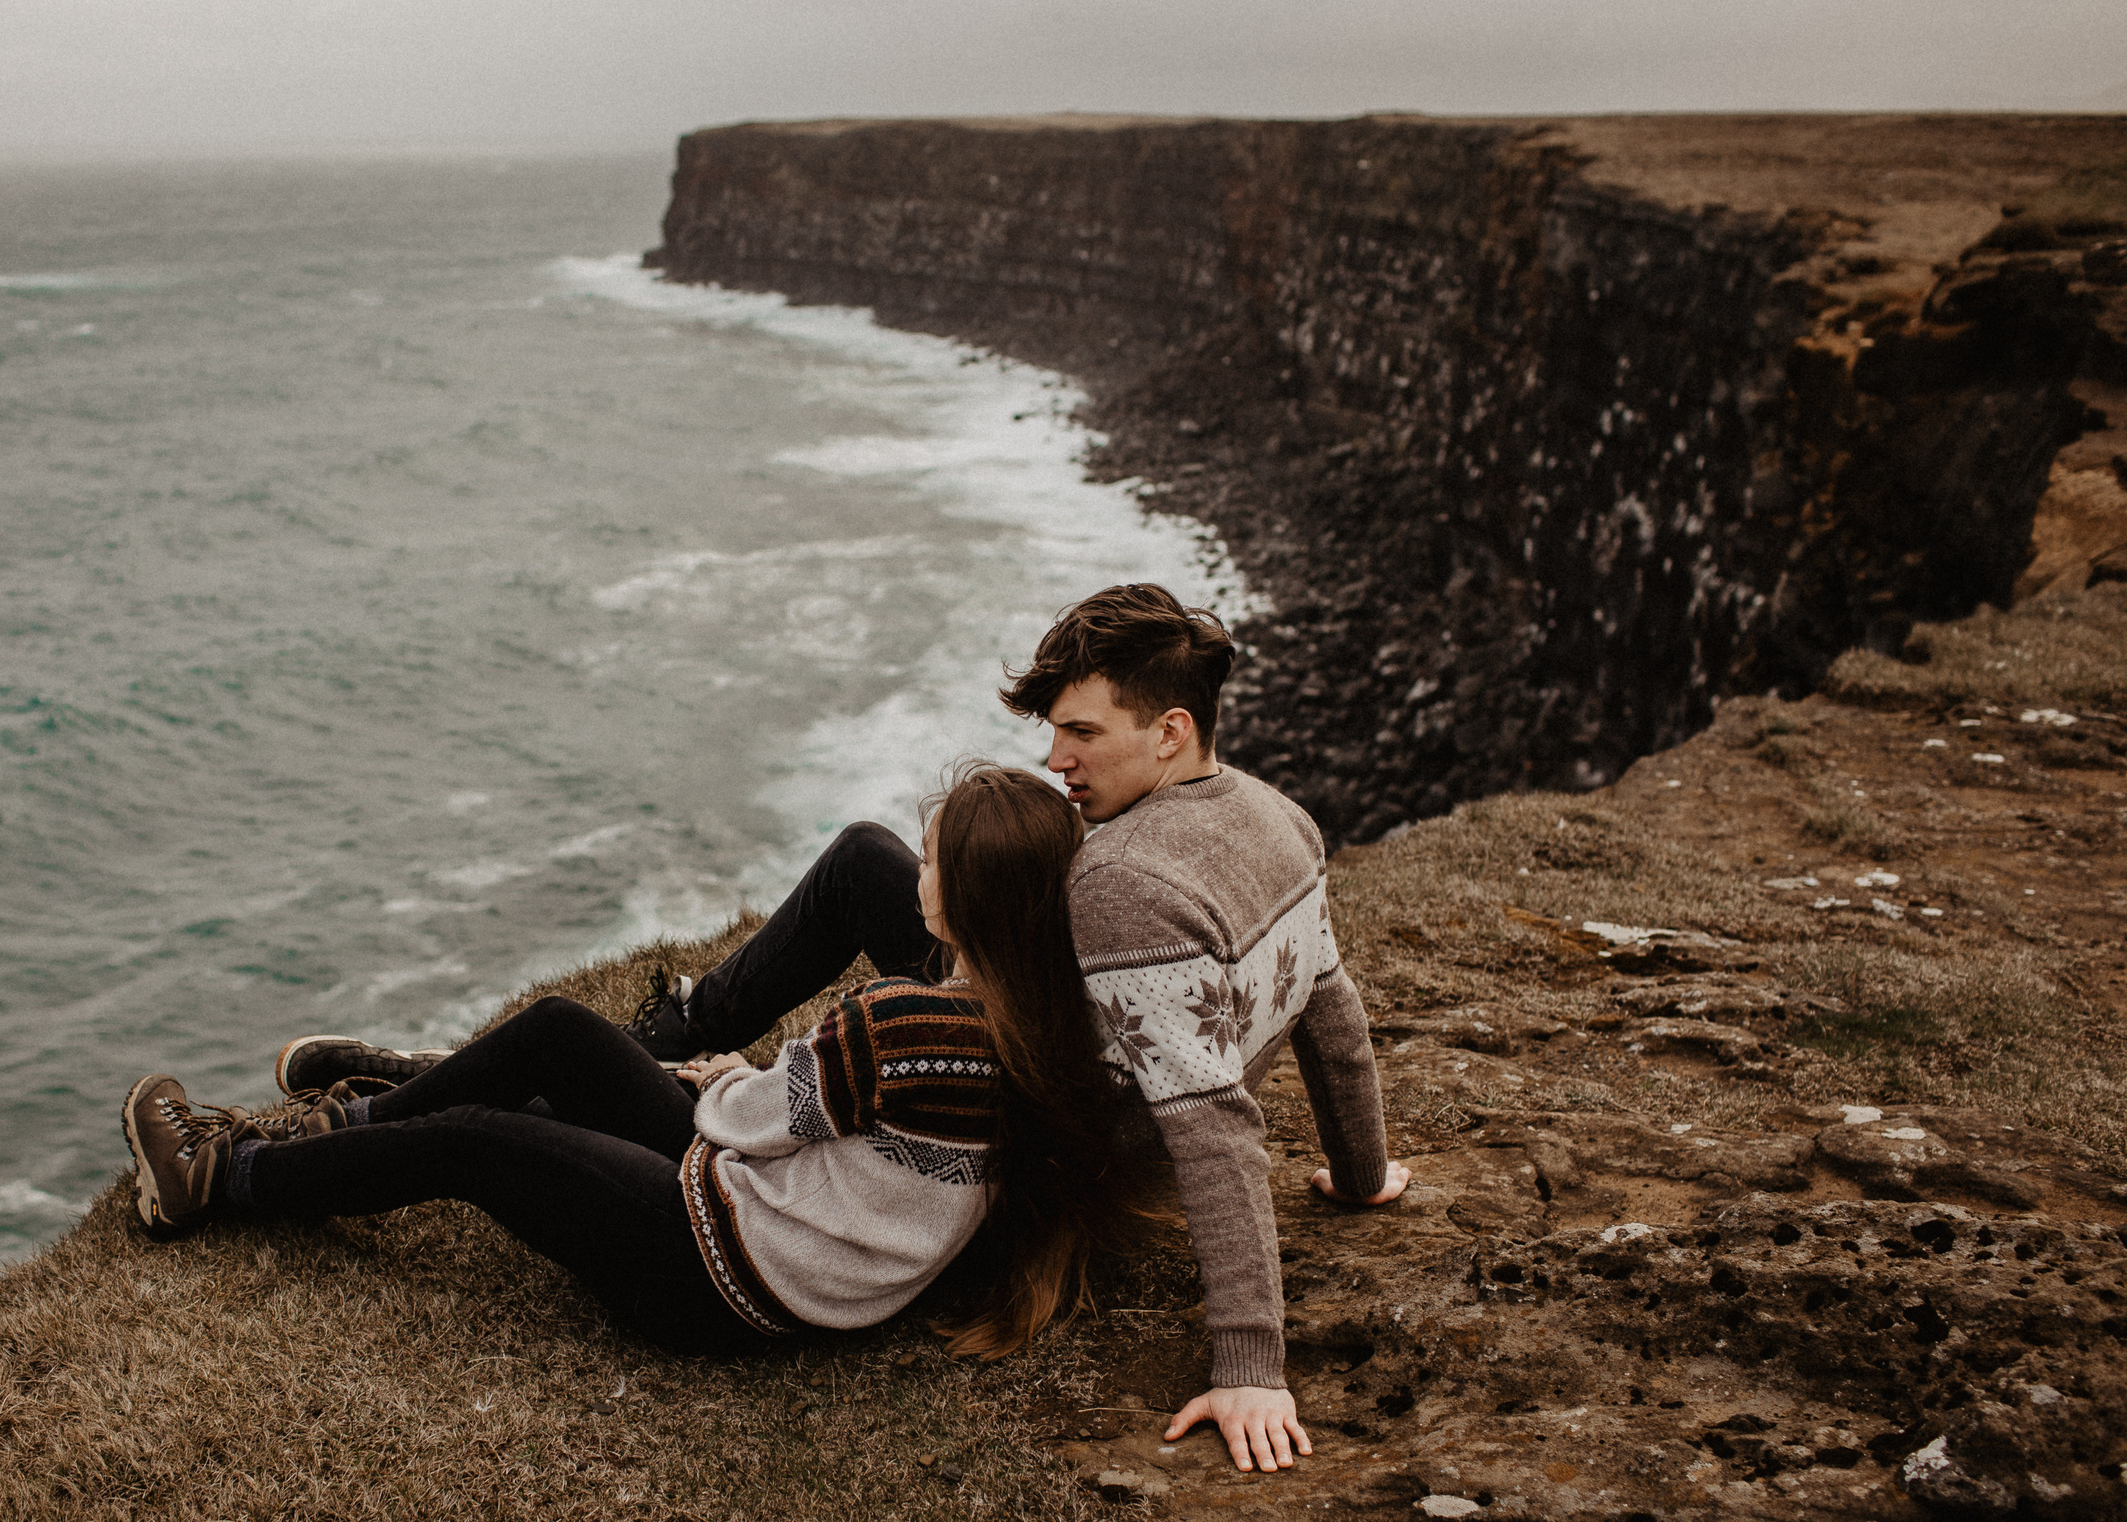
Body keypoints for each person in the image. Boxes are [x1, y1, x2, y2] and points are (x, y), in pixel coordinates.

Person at [592, 583, 1412, 1471]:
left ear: (1171, 730)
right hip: (1057, 1056)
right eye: (1056, 730)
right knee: (869, 860)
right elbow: (1330, 1004)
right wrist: (1361, 1171)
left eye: (1084, 733)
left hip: (1029, 1140)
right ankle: (682, 1029)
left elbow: (1215, 1125)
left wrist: (1251, 1363)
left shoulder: (1124, 888)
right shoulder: (1278, 816)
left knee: (871, 883)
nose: (1057, 760)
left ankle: (660, 1065)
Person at [120, 765, 1168, 1364]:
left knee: (478, 1145)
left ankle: (223, 1180)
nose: (917, 871)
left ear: (971, 899)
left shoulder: (903, 1024)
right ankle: (347, 1122)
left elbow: (749, 1122)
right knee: (560, 1034)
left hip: (725, 1279)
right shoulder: (1030, 1023)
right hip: (794, 1240)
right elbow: (823, 1122)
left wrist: (729, 1080)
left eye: (931, 858)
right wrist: (756, 1089)